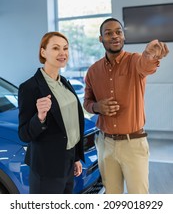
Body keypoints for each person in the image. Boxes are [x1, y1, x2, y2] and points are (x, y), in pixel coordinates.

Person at [83, 18, 169, 194]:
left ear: (123, 36)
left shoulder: (135, 60)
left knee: (138, 197)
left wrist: (150, 55)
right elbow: (87, 102)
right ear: (101, 39)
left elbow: (146, 66)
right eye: (108, 33)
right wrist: (97, 107)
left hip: (133, 143)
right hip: (105, 144)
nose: (114, 36)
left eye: (118, 32)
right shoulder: (93, 70)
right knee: (112, 194)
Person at [18, 31, 84, 194]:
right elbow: (24, 134)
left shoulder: (64, 83)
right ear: (43, 52)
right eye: (55, 48)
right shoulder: (29, 87)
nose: (62, 53)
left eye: (65, 48)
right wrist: (39, 117)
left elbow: (70, 124)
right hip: (47, 169)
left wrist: (75, 157)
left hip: (67, 163)